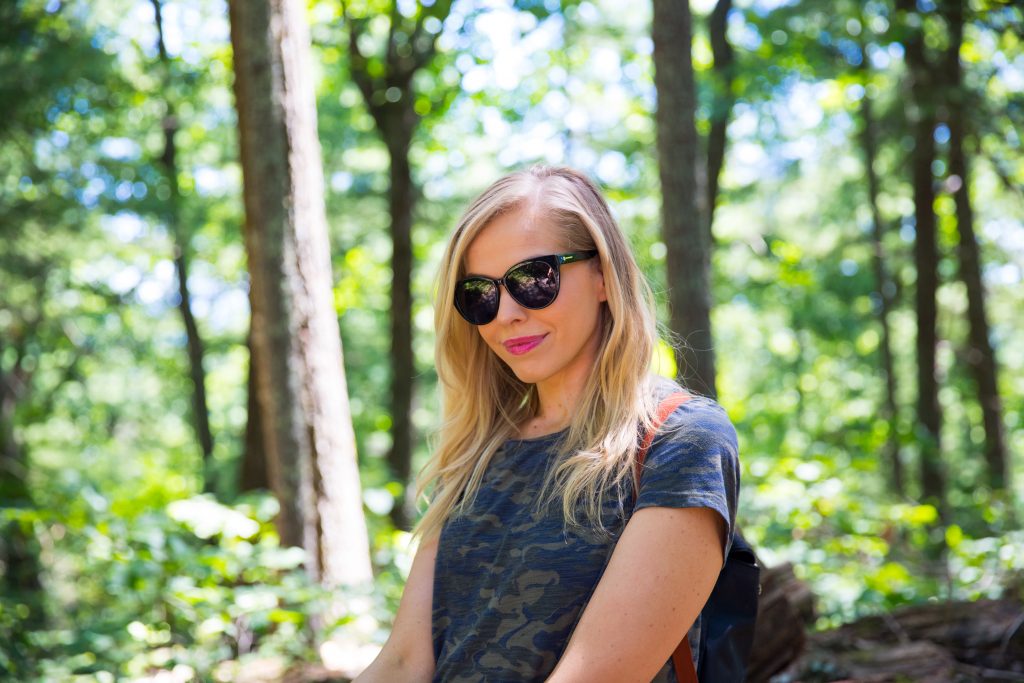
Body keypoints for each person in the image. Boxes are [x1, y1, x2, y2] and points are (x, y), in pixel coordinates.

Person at [355, 166, 740, 683]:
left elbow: (594, 676)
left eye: (534, 278)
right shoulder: (475, 455)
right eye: (479, 294)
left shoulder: (680, 440)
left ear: (603, 274)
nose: (505, 314)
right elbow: (403, 663)